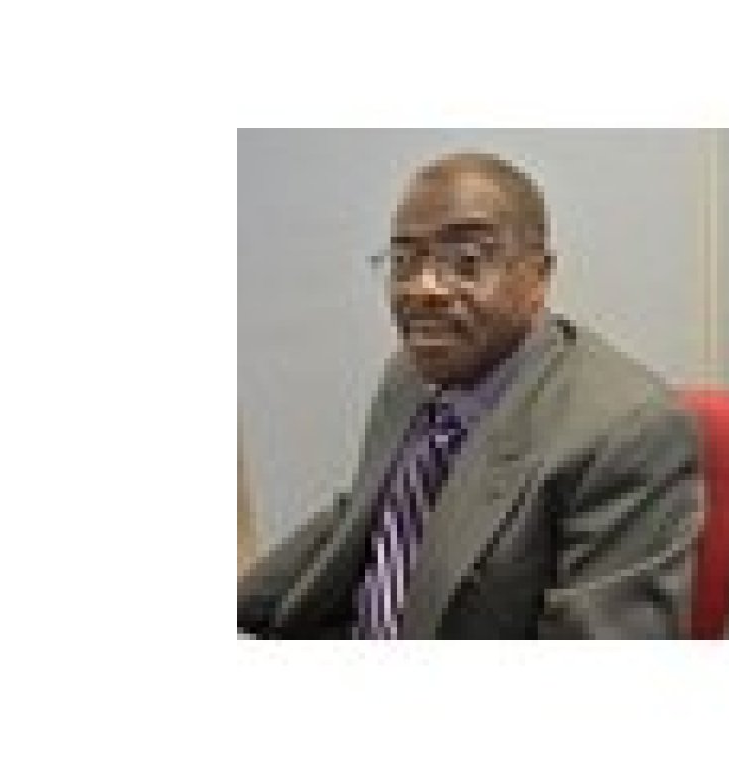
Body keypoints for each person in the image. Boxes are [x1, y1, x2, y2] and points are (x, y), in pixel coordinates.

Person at [238, 151, 703, 639]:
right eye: (404, 261)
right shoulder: (409, 373)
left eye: (466, 261)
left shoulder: (626, 432)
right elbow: (364, 514)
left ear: (539, 275)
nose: (423, 289)